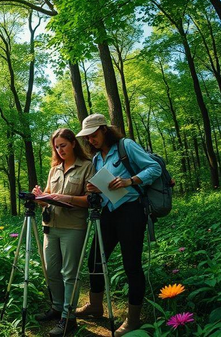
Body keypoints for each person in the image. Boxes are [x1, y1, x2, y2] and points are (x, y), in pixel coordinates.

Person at [73, 113, 161, 336]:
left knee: (132, 265)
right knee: (95, 259)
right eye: (87, 138)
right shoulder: (96, 159)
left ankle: (133, 320)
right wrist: (95, 189)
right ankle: (94, 305)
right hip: (108, 211)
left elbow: (154, 168)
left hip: (132, 211)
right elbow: (103, 187)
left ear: (104, 130)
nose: (91, 140)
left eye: (94, 135)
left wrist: (130, 181)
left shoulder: (126, 145)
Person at [32, 128, 95, 336]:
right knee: (51, 271)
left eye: (63, 145)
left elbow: (90, 200)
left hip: (73, 227)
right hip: (51, 227)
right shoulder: (54, 169)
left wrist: (65, 198)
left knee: (70, 273)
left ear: (73, 144)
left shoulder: (87, 167)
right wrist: (41, 196)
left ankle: (69, 318)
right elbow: (49, 197)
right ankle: (57, 308)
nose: (59, 150)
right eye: (56, 147)